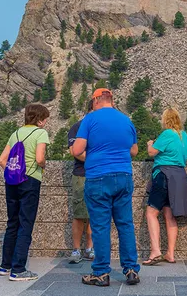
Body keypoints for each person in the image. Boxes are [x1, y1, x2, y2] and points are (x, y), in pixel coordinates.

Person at [71, 88, 140, 287]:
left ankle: (101, 273)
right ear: (112, 100)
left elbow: (77, 149)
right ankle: (131, 270)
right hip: (123, 176)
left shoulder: (90, 120)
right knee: (125, 224)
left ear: (95, 101)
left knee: (101, 226)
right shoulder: (126, 119)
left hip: (98, 177)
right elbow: (134, 150)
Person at [0, 104, 50, 281]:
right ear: (41, 119)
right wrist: (42, 167)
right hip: (30, 180)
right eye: (46, 119)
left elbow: (1, 160)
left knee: (12, 222)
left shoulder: (15, 133)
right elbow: (39, 158)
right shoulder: (40, 133)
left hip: (12, 181)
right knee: (25, 222)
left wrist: (14, 171)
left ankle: (5, 265)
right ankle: (18, 269)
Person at [143, 108, 187, 265]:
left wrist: (150, 143)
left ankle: (155, 251)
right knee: (169, 215)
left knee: (151, 212)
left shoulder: (167, 134)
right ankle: (170, 253)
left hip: (164, 175)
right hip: (179, 177)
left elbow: (151, 152)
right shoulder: (184, 136)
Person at [66, 100, 94, 264]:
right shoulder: (77, 127)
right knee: (79, 214)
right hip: (82, 174)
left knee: (93, 214)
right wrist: (95, 161)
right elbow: (74, 152)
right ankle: (76, 249)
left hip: (97, 174)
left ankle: (89, 248)